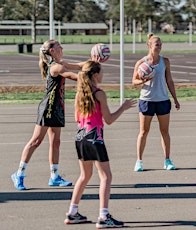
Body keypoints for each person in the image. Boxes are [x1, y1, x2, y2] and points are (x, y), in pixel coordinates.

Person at [65, 60, 136, 228]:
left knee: (84, 176)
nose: (103, 74)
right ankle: (104, 216)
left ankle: (72, 212)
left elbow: (77, 118)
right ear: (95, 75)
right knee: (106, 176)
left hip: (80, 137)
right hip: (94, 138)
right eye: (101, 72)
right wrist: (123, 108)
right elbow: (109, 119)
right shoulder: (99, 94)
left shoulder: (80, 93)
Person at [11, 40, 82, 190]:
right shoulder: (56, 67)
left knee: (56, 142)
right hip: (47, 108)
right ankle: (19, 174)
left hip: (57, 108)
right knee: (35, 141)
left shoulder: (60, 62)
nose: (61, 47)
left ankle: (54, 176)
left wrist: (94, 62)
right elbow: (73, 76)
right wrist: (89, 75)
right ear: (52, 51)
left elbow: (78, 66)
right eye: (58, 46)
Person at [132, 33, 180, 172]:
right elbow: (134, 81)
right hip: (147, 100)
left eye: (160, 44)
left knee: (165, 131)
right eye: (157, 44)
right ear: (149, 45)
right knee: (143, 132)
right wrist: (142, 81)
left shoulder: (165, 61)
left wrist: (175, 99)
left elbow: (169, 80)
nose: (159, 47)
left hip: (163, 100)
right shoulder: (141, 63)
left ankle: (167, 160)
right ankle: (139, 161)